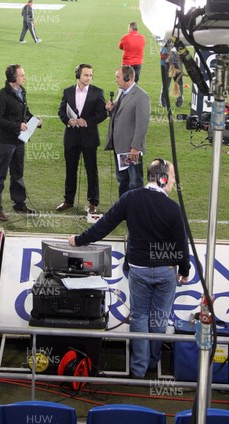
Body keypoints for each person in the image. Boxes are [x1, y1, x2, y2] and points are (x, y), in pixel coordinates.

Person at [68, 158, 190, 378]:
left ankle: (138, 370)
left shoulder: (131, 198)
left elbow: (103, 225)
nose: (173, 182)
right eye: (171, 177)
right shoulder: (173, 208)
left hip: (139, 269)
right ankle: (153, 363)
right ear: (162, 178)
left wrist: (78, 240)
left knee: (140, 317)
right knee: (159, 317)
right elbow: (181, 243)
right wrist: (184, 270)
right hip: (165, 272)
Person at [0, 64, 42, 222]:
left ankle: (19, 203)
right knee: (0, 174)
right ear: (13, 78)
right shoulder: (2, 95)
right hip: (6, 142)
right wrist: (17, 126)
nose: (24, 77)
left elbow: (24, 112)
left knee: (18, 173)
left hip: (20, 141)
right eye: (22, 75)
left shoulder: (22, 91)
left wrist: (35, 120)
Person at [56, 64, 107, 214]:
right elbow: (61, 110)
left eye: (91, 75)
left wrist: (87, 122)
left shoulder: (98, 92)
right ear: (78, 75)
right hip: (71, 138)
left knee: (92, 171)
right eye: (86, 75)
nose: (89, 78)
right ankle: (68, 200)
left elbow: (102, 114)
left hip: (89, 138)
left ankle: (93, 202)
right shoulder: (68, 91)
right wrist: (67, 120)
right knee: (70, 170)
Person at [105, 65, 150, 196]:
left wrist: (135, 147)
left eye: (117, 77)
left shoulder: (142, 96)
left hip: (132, 150)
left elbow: (142, 125)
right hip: (119, 147)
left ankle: (136, 211)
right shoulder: (121, 92)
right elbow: (119, 115)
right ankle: (123, 208)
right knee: (123, 180)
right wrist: (111, 109)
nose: (116, 80)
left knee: (135, 181)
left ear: (127, 78)